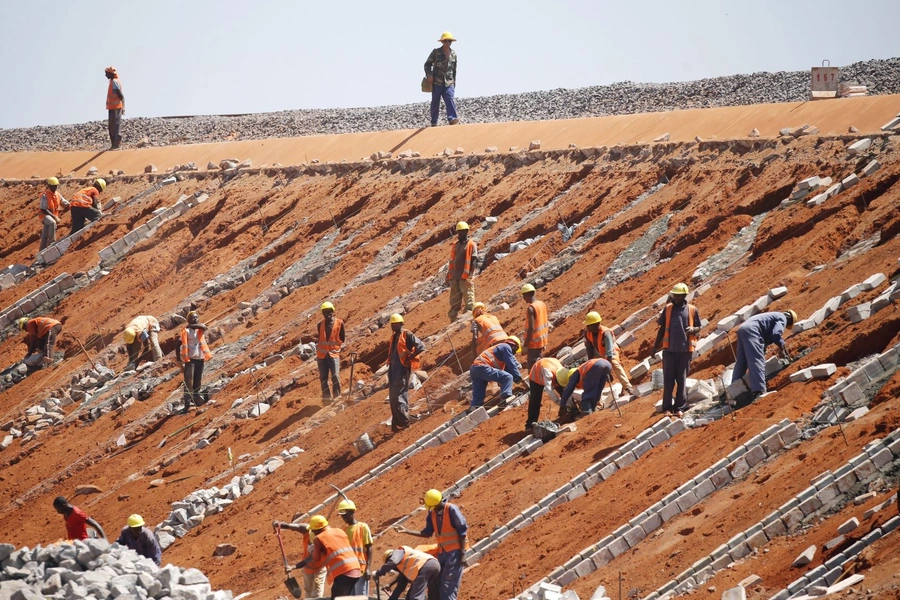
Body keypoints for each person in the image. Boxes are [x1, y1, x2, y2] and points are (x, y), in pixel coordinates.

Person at [395, 489, 467, 600]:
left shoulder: (451, 509)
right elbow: (427, 533)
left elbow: (462, 532)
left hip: (455, 553)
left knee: (448, 587)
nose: (431, 510)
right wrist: (406, 531)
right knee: (436, 584)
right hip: (442, 553)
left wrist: (462, 555)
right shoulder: (433, 513)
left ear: (437, 503)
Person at [652, 283, 702, 416]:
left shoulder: (692, 310)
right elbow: (662, 329)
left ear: (684, 295)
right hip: (669, 351)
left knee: (682, 379)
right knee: (668, 380)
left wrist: (693, 329)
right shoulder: (668, 309)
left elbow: (699, 328)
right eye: (674, 295)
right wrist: (654, 347)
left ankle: (679, 407)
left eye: (678, 295)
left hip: (685, 351)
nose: (676, 298)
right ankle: (667, 408)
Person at [732, 310, 797, 401]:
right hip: (752, 330)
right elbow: (776, 334)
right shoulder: (782, 318)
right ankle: (759, 390)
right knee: (757, 360)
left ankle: (733, 391)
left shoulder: (771, 316)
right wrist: (782, 347)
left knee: (742, 362)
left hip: (743, 329)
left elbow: (765, 335)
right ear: (789, 320)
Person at [294, 515, 361, 598]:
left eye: (313, 530)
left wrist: (311, 548)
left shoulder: (319, 538)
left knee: (337, 597)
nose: (313, 532)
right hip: (356, 569)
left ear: (317, 529)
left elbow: (316, 558)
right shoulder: (339, 531)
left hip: (343, 572)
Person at [387, 314, 426, 431]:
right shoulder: (394, 337)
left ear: (401, 324)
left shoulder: (407, 334)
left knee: (399, 396)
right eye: (392, 324)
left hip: (402, 369)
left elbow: (421, 346)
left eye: (395, 324)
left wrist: (411, 357)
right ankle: (397, 422)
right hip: (393, 370)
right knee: (393, 397)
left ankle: (405, 422)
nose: (393, 326)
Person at [584, 311, 635, 397]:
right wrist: (591, 362)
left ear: (597, 324)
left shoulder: (606, 333)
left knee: (615, 364)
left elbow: (609, 353)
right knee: (593, 368)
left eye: (589, 325)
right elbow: (589, 348)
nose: (587, 327)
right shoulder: (587, 332)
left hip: (610, 352)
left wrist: (607, 371)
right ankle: (596, 396)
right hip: (598, 353)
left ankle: (627, 387)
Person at [272, 519, 326, 598]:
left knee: (317, 592)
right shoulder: (307, 529)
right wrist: (279, 524)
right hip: (307, 568)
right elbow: (291, 526)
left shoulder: (322, 543)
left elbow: (307, 560)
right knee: (308, 590)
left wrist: (292, 567)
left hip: (319, 568)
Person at [469, 336, 524, 409]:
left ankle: (474, 408)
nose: (513, 354)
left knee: (479, 394)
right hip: (482, 367)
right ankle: (506, 399)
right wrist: (518, 378)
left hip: (475, 369)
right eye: (515, 351)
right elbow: (511, 364)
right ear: (514, 346)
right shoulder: (506, 347)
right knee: (508, 377)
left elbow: (505, 370)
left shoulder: (500, 349)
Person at [377, 546, 441, 600]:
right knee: (410, 596)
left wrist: (380, 572)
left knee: (416, 596)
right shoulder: (405, 564)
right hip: (435, 565)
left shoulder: (399, 552)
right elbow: (400, 586)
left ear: (389, 558)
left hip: (424, 566)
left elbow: (393, 561)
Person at [337, 500, 373, 597]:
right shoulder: (344, 531)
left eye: (345, 514)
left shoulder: (362, 527)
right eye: (342, 515)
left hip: (360, 569)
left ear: (352, 512)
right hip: (348, 571)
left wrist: (368, 568)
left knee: (360, 597)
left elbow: (369, 548)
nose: (343, 518)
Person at [179, 311, 212, 413]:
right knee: (189, 381)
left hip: (200, 358)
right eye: (193, 317)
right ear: (188, 320)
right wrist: (178, 358)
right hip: (190, 359)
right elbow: (177, 344)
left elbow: (204, 327)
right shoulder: (186, 331)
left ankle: (197, 399)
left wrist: (193, 324)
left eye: (197, 317)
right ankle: (187, 404)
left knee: (197, 380)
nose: (196, 319)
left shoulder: (199, 329)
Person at [424, 32, 459, 127]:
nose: (448, 42)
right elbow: (427, 64)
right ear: (442, 42)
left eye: (449, 41)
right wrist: (429, 75)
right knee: (435, 101)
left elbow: (454, 69)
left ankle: (452, 118)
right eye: (446, 41)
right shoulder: (436, 52)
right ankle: (434, 121)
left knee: (450, 99)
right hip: (437, 82)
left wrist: (454, 83)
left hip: (449, 82)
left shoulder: (454, 54)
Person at [446, 222, 477, 322]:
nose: (460, 234)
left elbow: (474, 261)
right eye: (459, 232)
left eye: (463, 232)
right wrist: (449, 274)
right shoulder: (455, 245)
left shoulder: (471, 244)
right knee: (454, 300)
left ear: (467, 232)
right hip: (454, 276)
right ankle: (453, 319)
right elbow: (452, 260)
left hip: (465, 276)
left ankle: (469, 316)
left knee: (468, 297)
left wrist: (470, 276)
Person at [316, 301, 345, 404]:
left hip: (333, 354)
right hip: (321, 356)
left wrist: (335, 347)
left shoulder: (340, 323)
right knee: (323, 378)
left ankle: (337, 398)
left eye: (329, 312)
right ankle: (326, 399)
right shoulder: (320, 325)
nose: (327, 315)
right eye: (325, 312)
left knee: (335, 376)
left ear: (333, 312)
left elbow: (342, 338)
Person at [526, 356, 564, 431]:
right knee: (535, 399)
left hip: (549, 365)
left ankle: (568, 410)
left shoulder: (562, 371)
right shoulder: (548, 374)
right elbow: (549, 389)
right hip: (536, 375)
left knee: (563, 391)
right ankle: (530, 424)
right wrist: (557, 401)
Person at [521, 284, 549, 369]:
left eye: (523, 296)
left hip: (534, 343)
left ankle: (535, 381)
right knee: (540, 363)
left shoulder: (531, 308)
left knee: (533, 367)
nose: (523, 298)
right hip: (542, 340)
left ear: (526, 294)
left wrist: (525, 345)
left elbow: (531, 328)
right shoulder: (541, 304)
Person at [38, 177, 69, 251]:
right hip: (44, 215)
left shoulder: (57, 194)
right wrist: (55, 217)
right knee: (52, 222)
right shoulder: (45, 195)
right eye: (53, 186)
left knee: (45, 234)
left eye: (56, 186)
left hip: (52, 216)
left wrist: (72, 205)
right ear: (49, 186)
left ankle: (42, 250)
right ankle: (52, 243)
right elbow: (43, 209)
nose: (55, 187)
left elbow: (65, 203)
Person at [105, 66, 124, 149]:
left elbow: (120, 95)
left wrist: (122, 106)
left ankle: (116, 144)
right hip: (112, 107)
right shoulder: (112, 82)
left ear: (111, 74)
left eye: (106, 73)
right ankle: (113, 144)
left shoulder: (114, 82)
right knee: (112, 126)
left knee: (115, 126)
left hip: (116, 107)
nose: (105, 75)